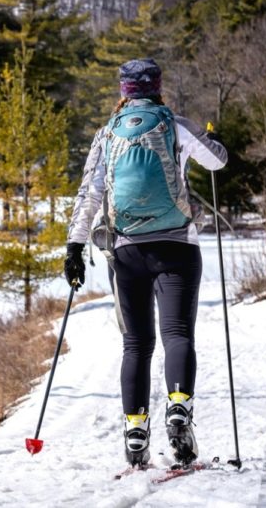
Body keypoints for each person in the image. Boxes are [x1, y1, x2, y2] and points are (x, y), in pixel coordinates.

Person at [63, 58, 226, 469]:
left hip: (126, 251)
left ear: (123, 91)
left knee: (135, 344)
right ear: (157, 87)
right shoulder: (175, 123)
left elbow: (89, 195)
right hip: (177, 247)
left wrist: (74, 247)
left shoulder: (106, 135)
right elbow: (217, 161)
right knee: (177, 334)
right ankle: (178, 409)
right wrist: (213, 138)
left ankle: (135, 431)